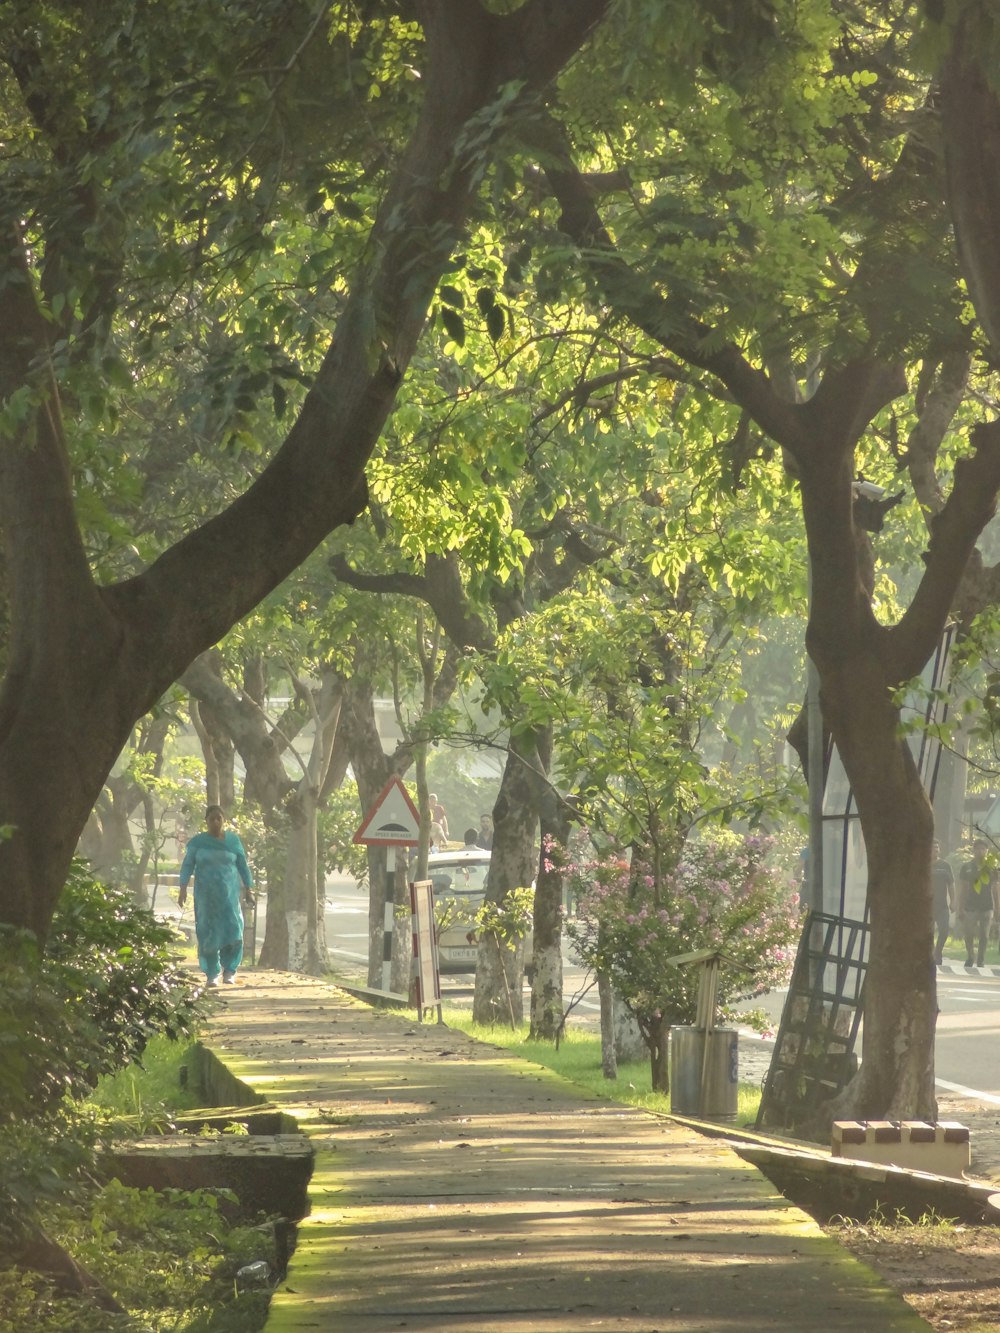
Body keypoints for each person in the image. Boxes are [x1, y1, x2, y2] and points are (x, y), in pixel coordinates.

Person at [178, 804, 254, 988]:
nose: (215, 822)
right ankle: (212, 973)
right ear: (206, 821)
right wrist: (182, 889)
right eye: (211, 819)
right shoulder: (198, 843)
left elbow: (243, 866)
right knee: (208, 932)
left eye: (218, 818)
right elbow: (187, 865)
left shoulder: (233, 842)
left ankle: (230, 971)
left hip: (229, 896)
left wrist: (248, 890)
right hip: (206, 897)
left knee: (233, 931)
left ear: (223, 820)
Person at [959, 837, 996, 968]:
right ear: (973, 850)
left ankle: (981, 959)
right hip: (970, 906)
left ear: (987, 851)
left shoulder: (992, 867)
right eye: (978, 849)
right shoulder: (966, 867)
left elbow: (996, 889)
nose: (980, 851)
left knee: (984, 935)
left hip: (987, 906)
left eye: (983, 849)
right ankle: (970, 956)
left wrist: (996, 908)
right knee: (968, 932)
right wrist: (961, 908)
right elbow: (962, 889)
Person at [932, 839, 955, 967]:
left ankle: (937, 951)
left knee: (944, 931)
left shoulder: (945, 866)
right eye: (933, 848)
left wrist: (953, 901)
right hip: (927, 906)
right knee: (928, 933)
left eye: (937, 848)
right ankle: (932, 954)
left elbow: (951, 884)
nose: (935, 850)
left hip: (942, 906)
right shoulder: (922, 864)